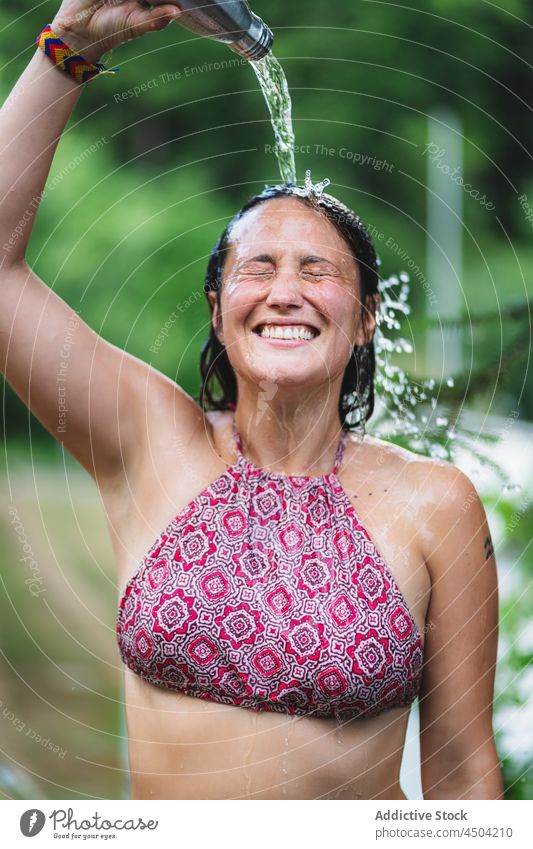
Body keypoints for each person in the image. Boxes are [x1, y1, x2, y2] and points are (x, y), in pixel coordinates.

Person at [1, 0, 504, 800]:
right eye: (256, 267)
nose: (285, 292)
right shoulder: (149, 440)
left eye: (318, 270)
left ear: (366, 316)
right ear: (217, 308)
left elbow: (462, 768)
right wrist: (65, 53)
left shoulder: (435, 502)